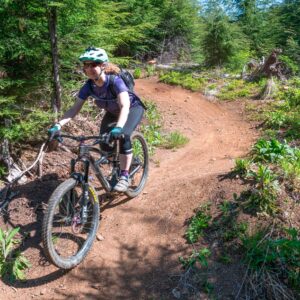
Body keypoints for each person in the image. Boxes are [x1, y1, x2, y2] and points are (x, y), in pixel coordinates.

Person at [48, 47, 145, 192]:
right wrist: (58, 125)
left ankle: (125, 176)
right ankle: (118, 166)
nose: (89, 68)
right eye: (86, 65)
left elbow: (125, 106)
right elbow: (74, 109)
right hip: (113, 112)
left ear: (103, 65)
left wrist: (118, 128)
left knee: (123, 135)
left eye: (93, 64)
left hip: (132, 109)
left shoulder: (115, 81)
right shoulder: (89, 87)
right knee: (104, 143)